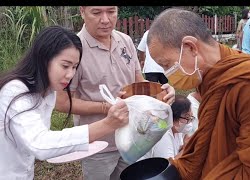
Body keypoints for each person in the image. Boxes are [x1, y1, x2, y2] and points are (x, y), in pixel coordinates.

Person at [147, 8, 250, 179]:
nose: (168, 74)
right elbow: (218, 136)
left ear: (190, 47)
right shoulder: (212, 75)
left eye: (167, 64)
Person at [55, 6, 175, 180]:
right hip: (98, 143)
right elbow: (62, 102)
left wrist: (162, 91)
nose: (105, 19)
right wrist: (107, 108)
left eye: (111, 12)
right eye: (96, 13)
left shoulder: (125, 41)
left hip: (134, 138)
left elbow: (138, 83)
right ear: (82, 11)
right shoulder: (74, 50)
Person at [0, 26, 129, 180]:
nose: (71, 74)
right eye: (65, 66)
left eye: (75, 67)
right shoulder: (15, 91)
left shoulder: (47, 92)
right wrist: (108, 124)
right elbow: (40, 143)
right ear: (43, 58)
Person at [139, 95, 194, 160]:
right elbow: (168, 166)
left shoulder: (177, 131)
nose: (189, 122)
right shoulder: (163, 133)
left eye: (191, 117)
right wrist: (186, 150)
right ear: (174, 116)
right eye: (187, 117)